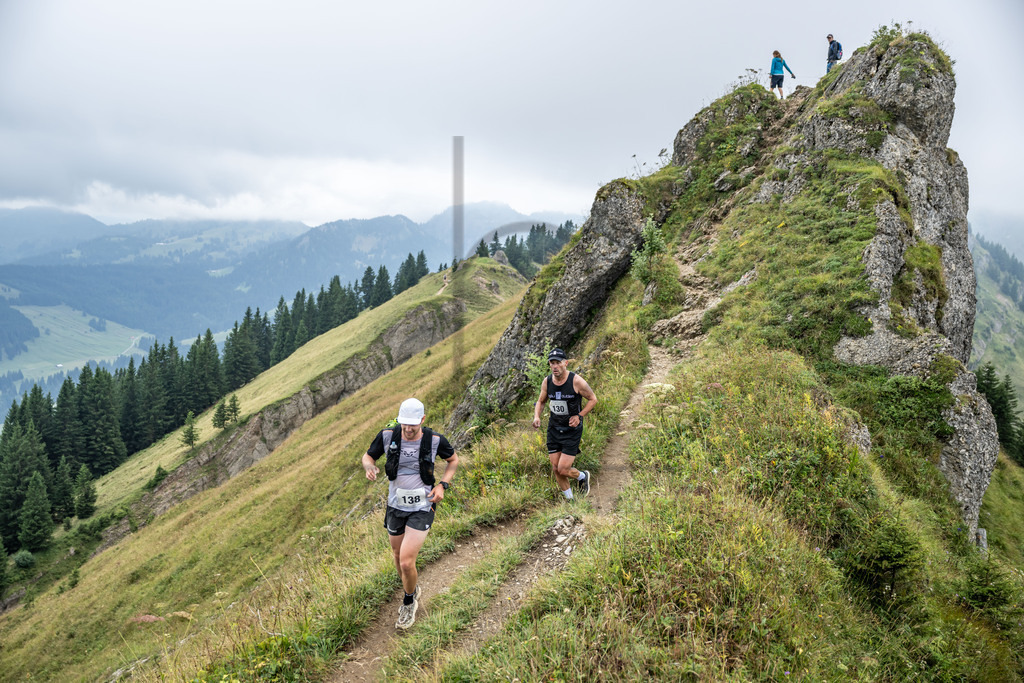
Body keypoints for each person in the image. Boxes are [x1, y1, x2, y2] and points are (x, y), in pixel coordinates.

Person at [362, 397, 458, 629]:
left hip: (422, 506)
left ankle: (408, 602)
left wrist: (442, 485)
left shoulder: (434, 440)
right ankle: (412, 589)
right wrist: (369, 467)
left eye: (413, 425)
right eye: (404, 424)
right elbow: (368, 456)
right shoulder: (388, 436)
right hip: (396, 506)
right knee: (397, 556)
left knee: (406, 562)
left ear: (422, 420)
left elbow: (453, 460)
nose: (407, 429)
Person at [532, 348, 597, 500]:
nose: (555, 366)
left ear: (565, 363)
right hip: (554, 429)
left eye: (558, 363)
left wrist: (579, 416)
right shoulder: (547, 381)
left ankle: (582, 476)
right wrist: (537, 416)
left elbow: (593, 399)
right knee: (556, 468)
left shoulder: (576, 381)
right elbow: (541, 401)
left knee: (563, 469)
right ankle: (571, 501)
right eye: (552, 363)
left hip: (571, 430)